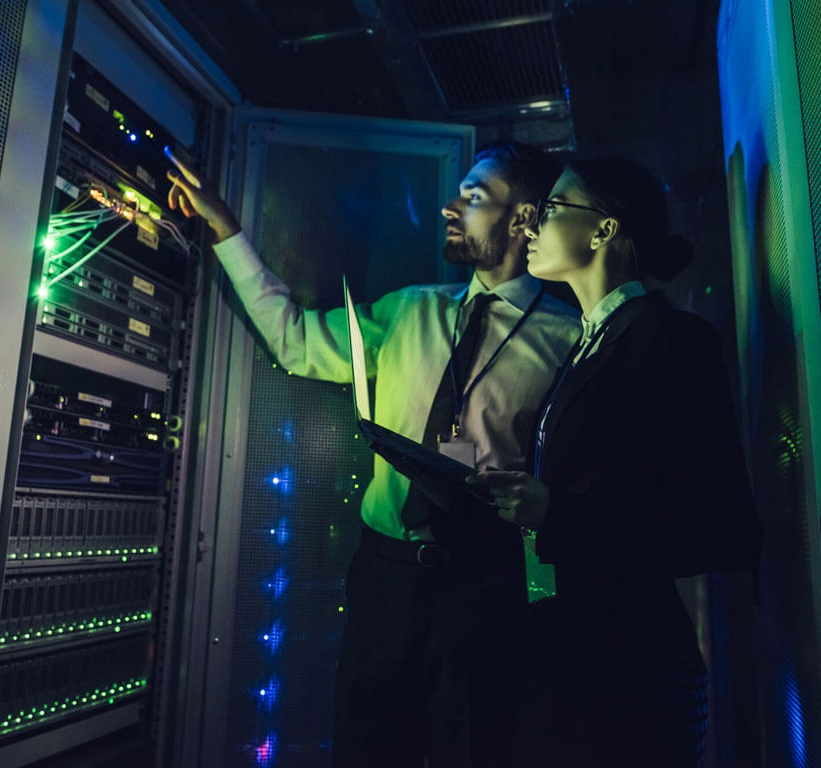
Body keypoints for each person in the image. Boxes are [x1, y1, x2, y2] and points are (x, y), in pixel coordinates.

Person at [167, 142, 581, 768]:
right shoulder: (411, 308)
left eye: (473, 197)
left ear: (524, 218)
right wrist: (227, 232)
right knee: (365, 746)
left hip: (487, 584)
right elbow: (296, 342)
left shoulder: (569, 339)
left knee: (469, 748)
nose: (451, 206)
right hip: (384, 576)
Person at [480, 156, 762, 767]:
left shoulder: (671, 341)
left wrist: (558, 514)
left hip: (632, 677)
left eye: (551, 209)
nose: (529, 227)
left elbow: (726, 530)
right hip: (562, 667)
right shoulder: (582, 348)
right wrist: (535, 596)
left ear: (604, 229)